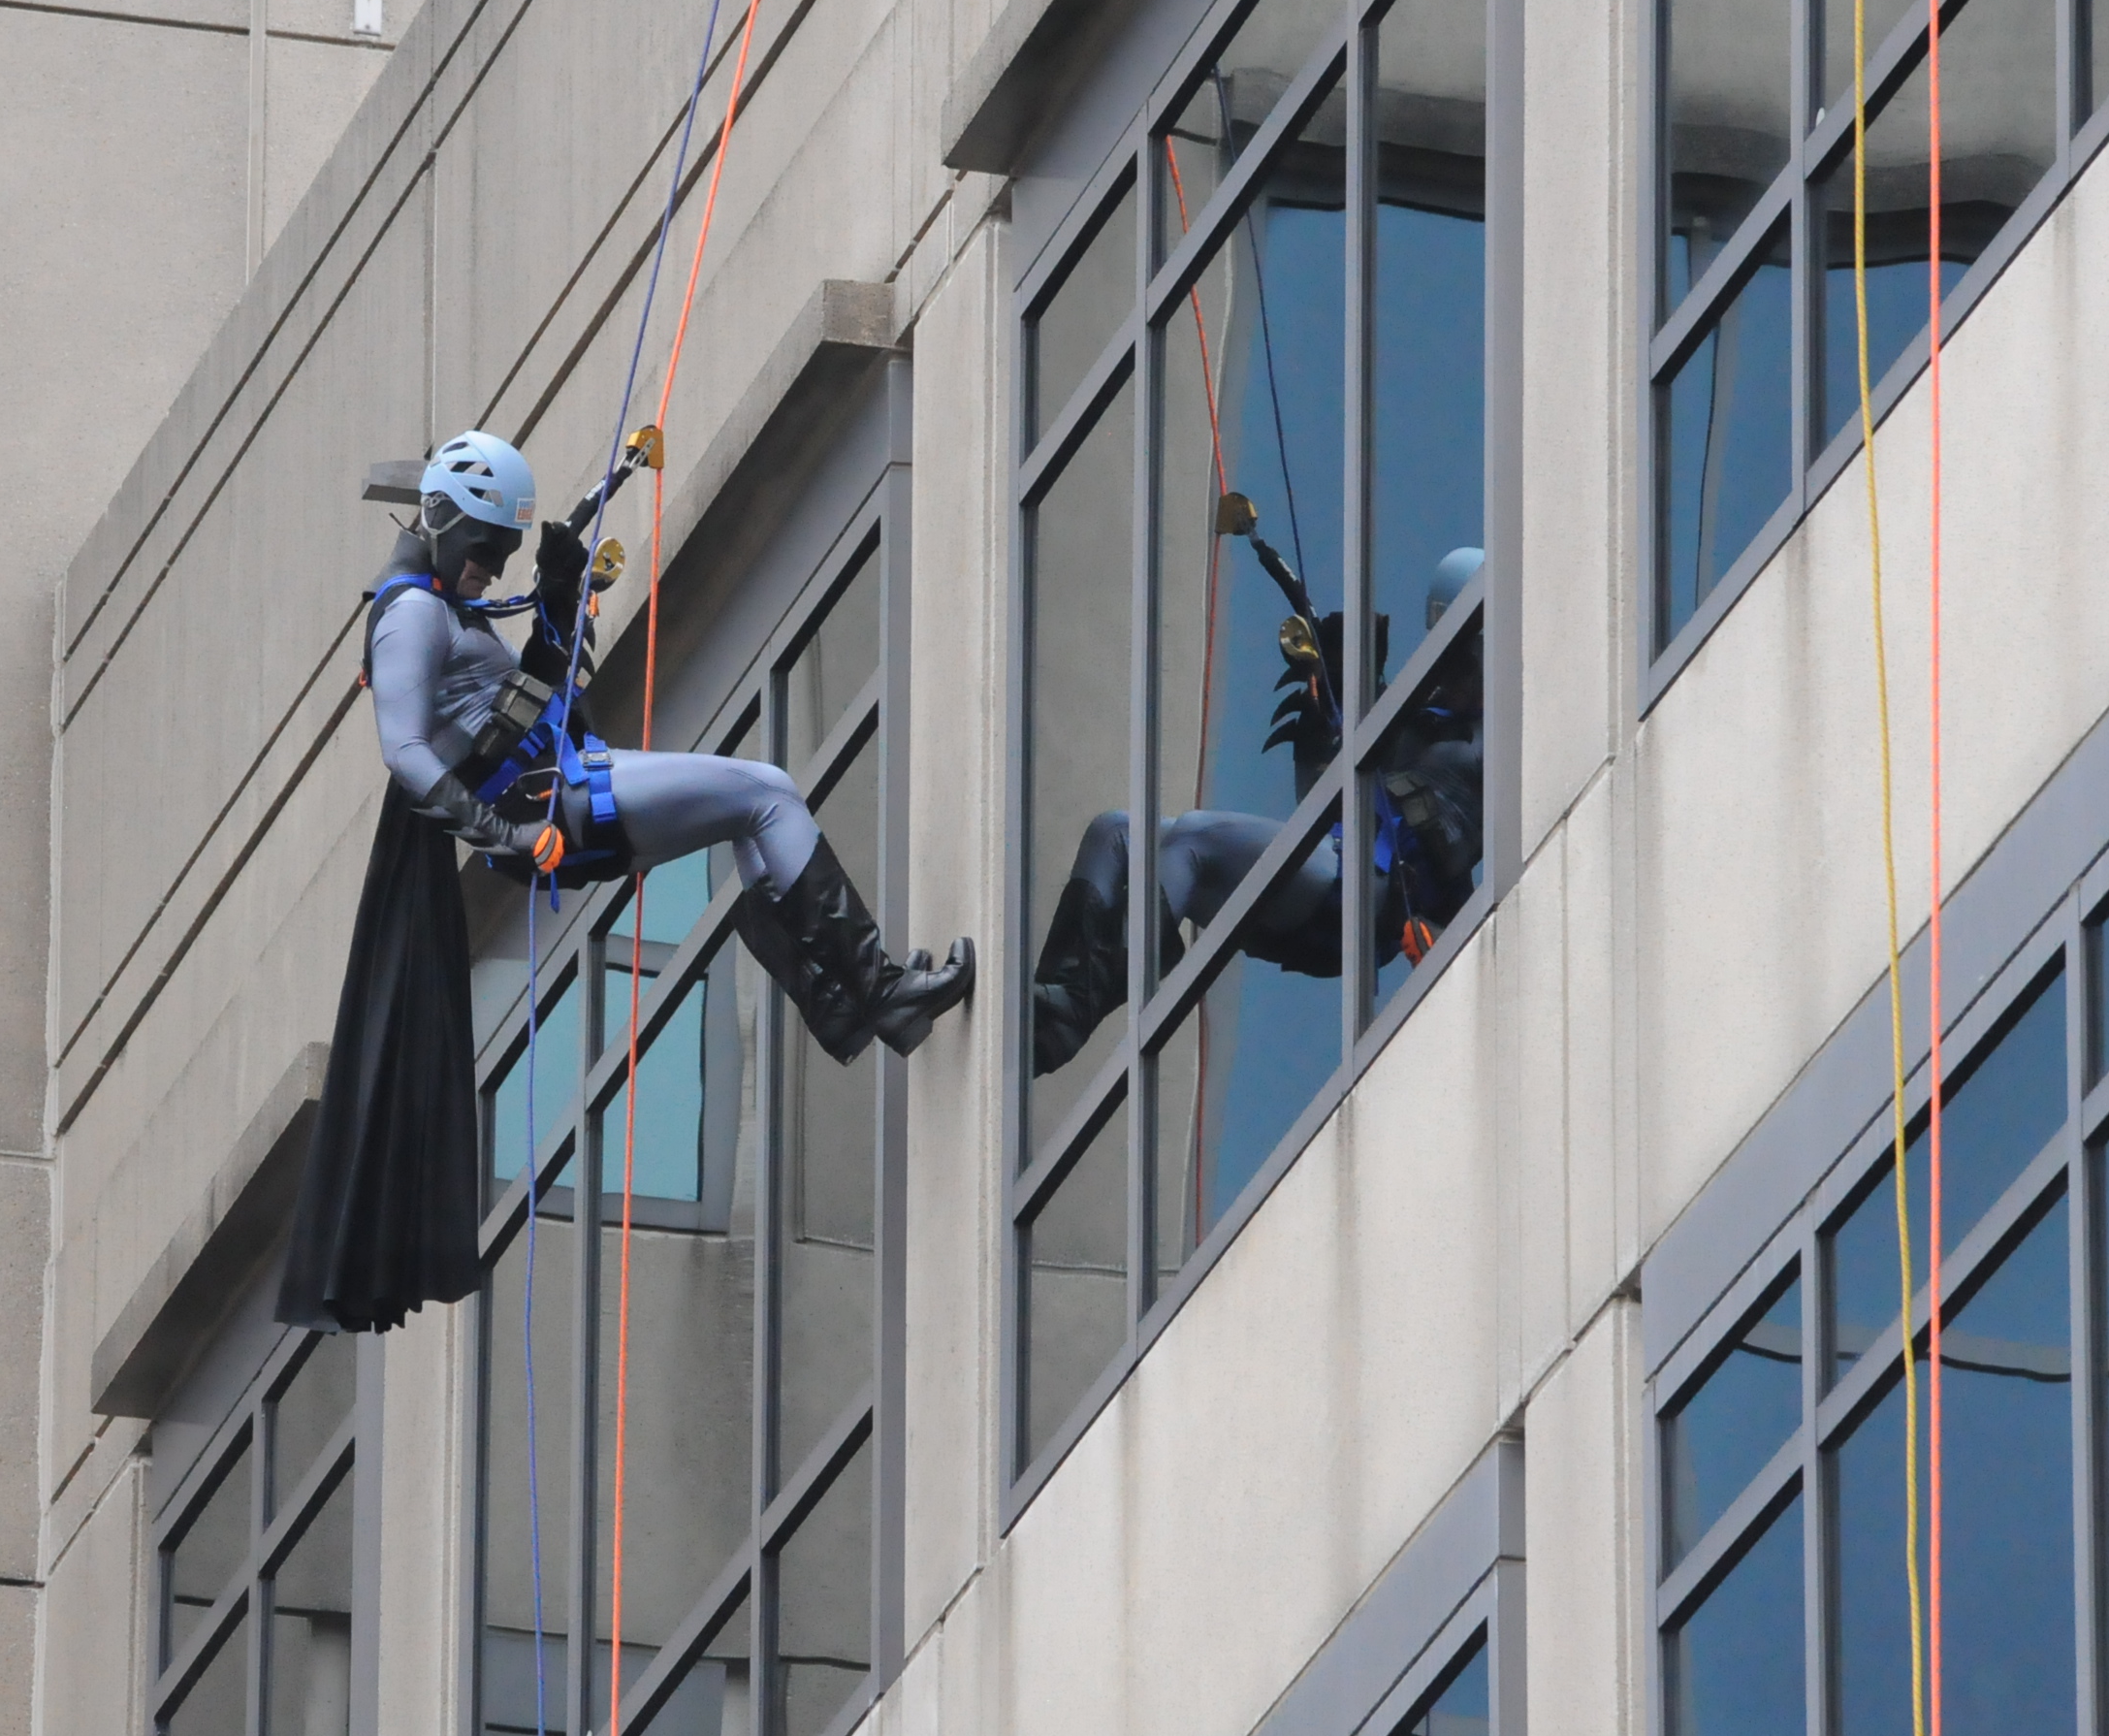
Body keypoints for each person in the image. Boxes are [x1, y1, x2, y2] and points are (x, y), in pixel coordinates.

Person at [280, 430, 975, 1331]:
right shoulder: (411, 613)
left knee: (751, 812)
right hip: (560, 807)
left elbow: (535, 700)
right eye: (486, 548)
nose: (495, 566)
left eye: (503, 551)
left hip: (565, 788)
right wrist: (507, 832)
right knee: (766, 795)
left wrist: (562, 601)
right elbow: (408, 754)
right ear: (446, 523)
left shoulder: (451, 613)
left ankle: (854, 999)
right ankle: (872, 991)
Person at [1027, 548, 1484, 1077]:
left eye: (1462, 657)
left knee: (1193, 840)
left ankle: (1092, 993)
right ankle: (1055, 1002)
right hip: (1336, 869)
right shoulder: (1420, 718)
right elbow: (1330, 805)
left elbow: (1451, 859)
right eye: (1443, 653)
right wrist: (1327, 714)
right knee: (1116, 831)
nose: (1449, 672)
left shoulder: (1479, 744)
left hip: (1370, 896)